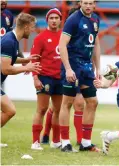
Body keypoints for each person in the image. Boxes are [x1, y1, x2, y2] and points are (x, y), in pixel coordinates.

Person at [59, 0, 101, 152]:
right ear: (80, 4)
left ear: (94, 4)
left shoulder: (96, 19)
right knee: (67, 102)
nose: (88, 6)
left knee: (92, 102)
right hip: (73, 65)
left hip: (87, 67)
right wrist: (68, 69)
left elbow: (96, 44)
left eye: (90, 3)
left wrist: (98, 69)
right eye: (85, 3)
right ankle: (65, 142)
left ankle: (85, 142)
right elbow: (62, 44)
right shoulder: (73, 19)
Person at [41, 4, 84, 146]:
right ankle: (47, 134)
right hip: (65, 70)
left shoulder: (85, 29)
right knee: (57, 106)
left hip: (78, 69)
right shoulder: (69, 30)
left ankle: (79, 139)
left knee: (78, 103)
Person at [1, 13, 41, 147]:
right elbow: (6, 69)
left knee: (10, 110)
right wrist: (27, 67)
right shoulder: (9, 41)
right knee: (9, 110)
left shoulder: (12, 40)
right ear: (25, 27)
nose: (33, 30)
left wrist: (25, 60)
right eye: (32, 27)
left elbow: (9, 59)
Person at [30, 8, 63, 150]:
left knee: (57, 110)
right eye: (51, 18)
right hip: (45, 77)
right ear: (47, 20)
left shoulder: (64, 37)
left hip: (60, 78)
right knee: (42, 109)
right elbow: (34, 60)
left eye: (56, 18)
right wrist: (35, 78)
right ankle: (35, 142)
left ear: (60, 20)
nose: (54, 20)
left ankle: (56, 141)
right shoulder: (40, 38)